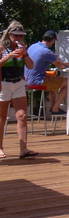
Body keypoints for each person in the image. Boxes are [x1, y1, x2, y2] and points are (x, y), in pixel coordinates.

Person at [0, 21, 36, 159]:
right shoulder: (2, 48)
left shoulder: (22, 49)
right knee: (2, 118)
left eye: (21, 36)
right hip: (4, 83)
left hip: (18, 82)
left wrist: (25, 53)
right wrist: (9, 56)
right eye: (15, 36)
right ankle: (0, 148)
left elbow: (31, 66)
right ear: (9, 35)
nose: (18, 39)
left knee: (22, 116)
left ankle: (24, 148)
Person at [25, 30, 69, 115]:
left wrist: (63, 63)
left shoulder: (33, 46)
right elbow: (60, 66)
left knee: (53, 80)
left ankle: (52, 106)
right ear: (53, 40)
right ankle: (55, 108)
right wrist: (67, 65)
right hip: (37, 81)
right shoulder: (46, 51)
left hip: (26, 80)